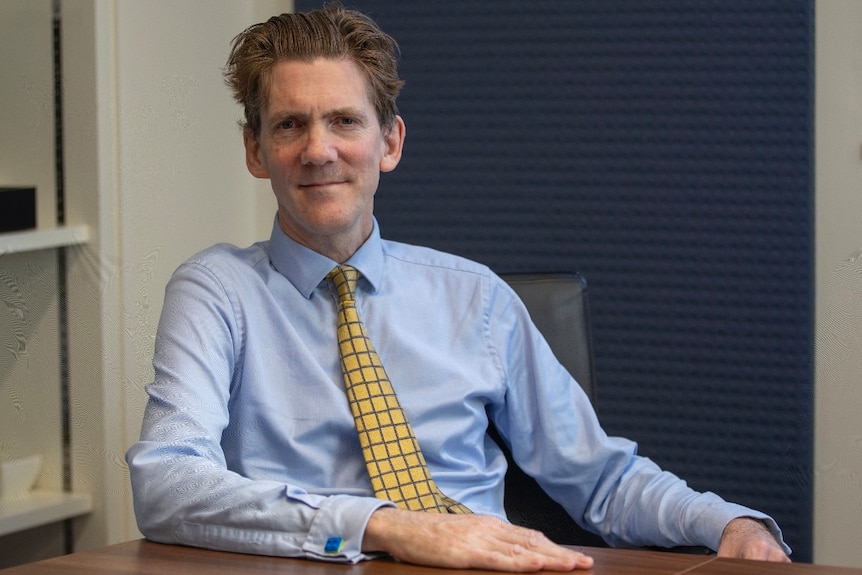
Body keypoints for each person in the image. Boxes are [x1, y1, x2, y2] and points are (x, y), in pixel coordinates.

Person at [126, 3, 791, 571]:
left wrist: (726, 523)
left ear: (390, 142)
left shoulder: (477, 299)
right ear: (255, 150)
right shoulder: (215, 292)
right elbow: (167, 482)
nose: (319, 150)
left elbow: (602, 479)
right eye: (290, 125)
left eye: (345, 121)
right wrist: (384, 524)